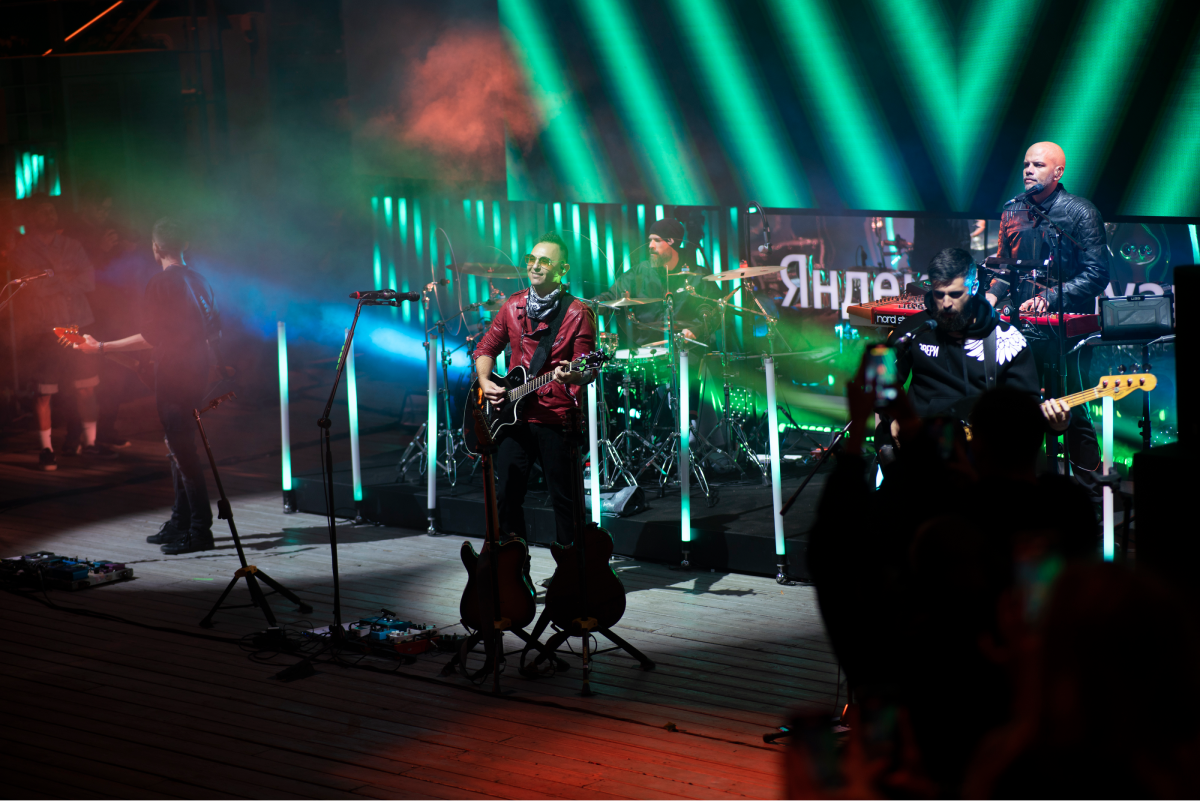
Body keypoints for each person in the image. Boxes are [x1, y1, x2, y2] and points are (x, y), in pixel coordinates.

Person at [74, 218, 217, 554]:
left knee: (182, 450)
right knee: (178, 446)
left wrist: (102, 347)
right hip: (196, 372)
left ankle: (200, 530)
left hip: (175, 376)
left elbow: (152, 336)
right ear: (185, 245)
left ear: (155, 248)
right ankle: (181, 521)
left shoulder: (161, 282)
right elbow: (214, 331)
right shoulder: (200, 280)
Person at [984, 141, 1107, 495]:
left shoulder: (1081, 212)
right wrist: (990, 297)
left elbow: (1097, 273)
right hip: (1021, 331)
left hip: (1067, 333)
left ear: (1058, 172)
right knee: (1020, 411)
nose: (1028, 170)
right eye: (1026, 164)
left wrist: (1049, 298)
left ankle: (1089, 499)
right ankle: (1022, 490)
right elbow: (1004, 269)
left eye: (1037, 165)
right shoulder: (1012, 210)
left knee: (1073, 411)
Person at [472, 232, 597, 547]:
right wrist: (485, 381)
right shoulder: (513, 305)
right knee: (506, 496)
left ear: (562, 269)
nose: (535, 266)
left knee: (565, 501)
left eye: (544, 261)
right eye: (531, 259)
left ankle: (571, 568)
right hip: (513, 417)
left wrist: (572, 373)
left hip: (556, 417)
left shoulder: (577, 313)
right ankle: (513, 565)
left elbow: (588, 368)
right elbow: (485, 348)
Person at [878, 248, 1070, 447]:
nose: (946, 304)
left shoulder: (1007, 339)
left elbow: (1028, 409)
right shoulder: (916, 330)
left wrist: (1056, 425)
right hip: (920, 447)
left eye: (955, 294)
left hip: (979, 452)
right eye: (939, 294)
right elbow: (879, 385)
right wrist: (894, 417)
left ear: (974, 287)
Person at [9, 193, 110, 470]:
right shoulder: (24, 249)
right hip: (44, 328)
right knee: (44, 391)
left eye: (52, 211)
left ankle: (89, 443)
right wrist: (67, 278)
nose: (49, 216)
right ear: (33, 217)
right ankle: (46, 449)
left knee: (86, 386)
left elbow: (88, 281)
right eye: (43, 211)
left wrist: (56, 279)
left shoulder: (72, 245)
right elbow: (36, 288)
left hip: (78, 323)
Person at [592, 217, 719, 346]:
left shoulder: (697, 275)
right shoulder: (639, 273)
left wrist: (697, 329)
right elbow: (611, 298)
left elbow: (718, 311)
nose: (651, 246)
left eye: (657, 240)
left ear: (672, 242)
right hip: (647, 350)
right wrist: (587, 306)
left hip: (687, 349)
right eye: (650, 240)